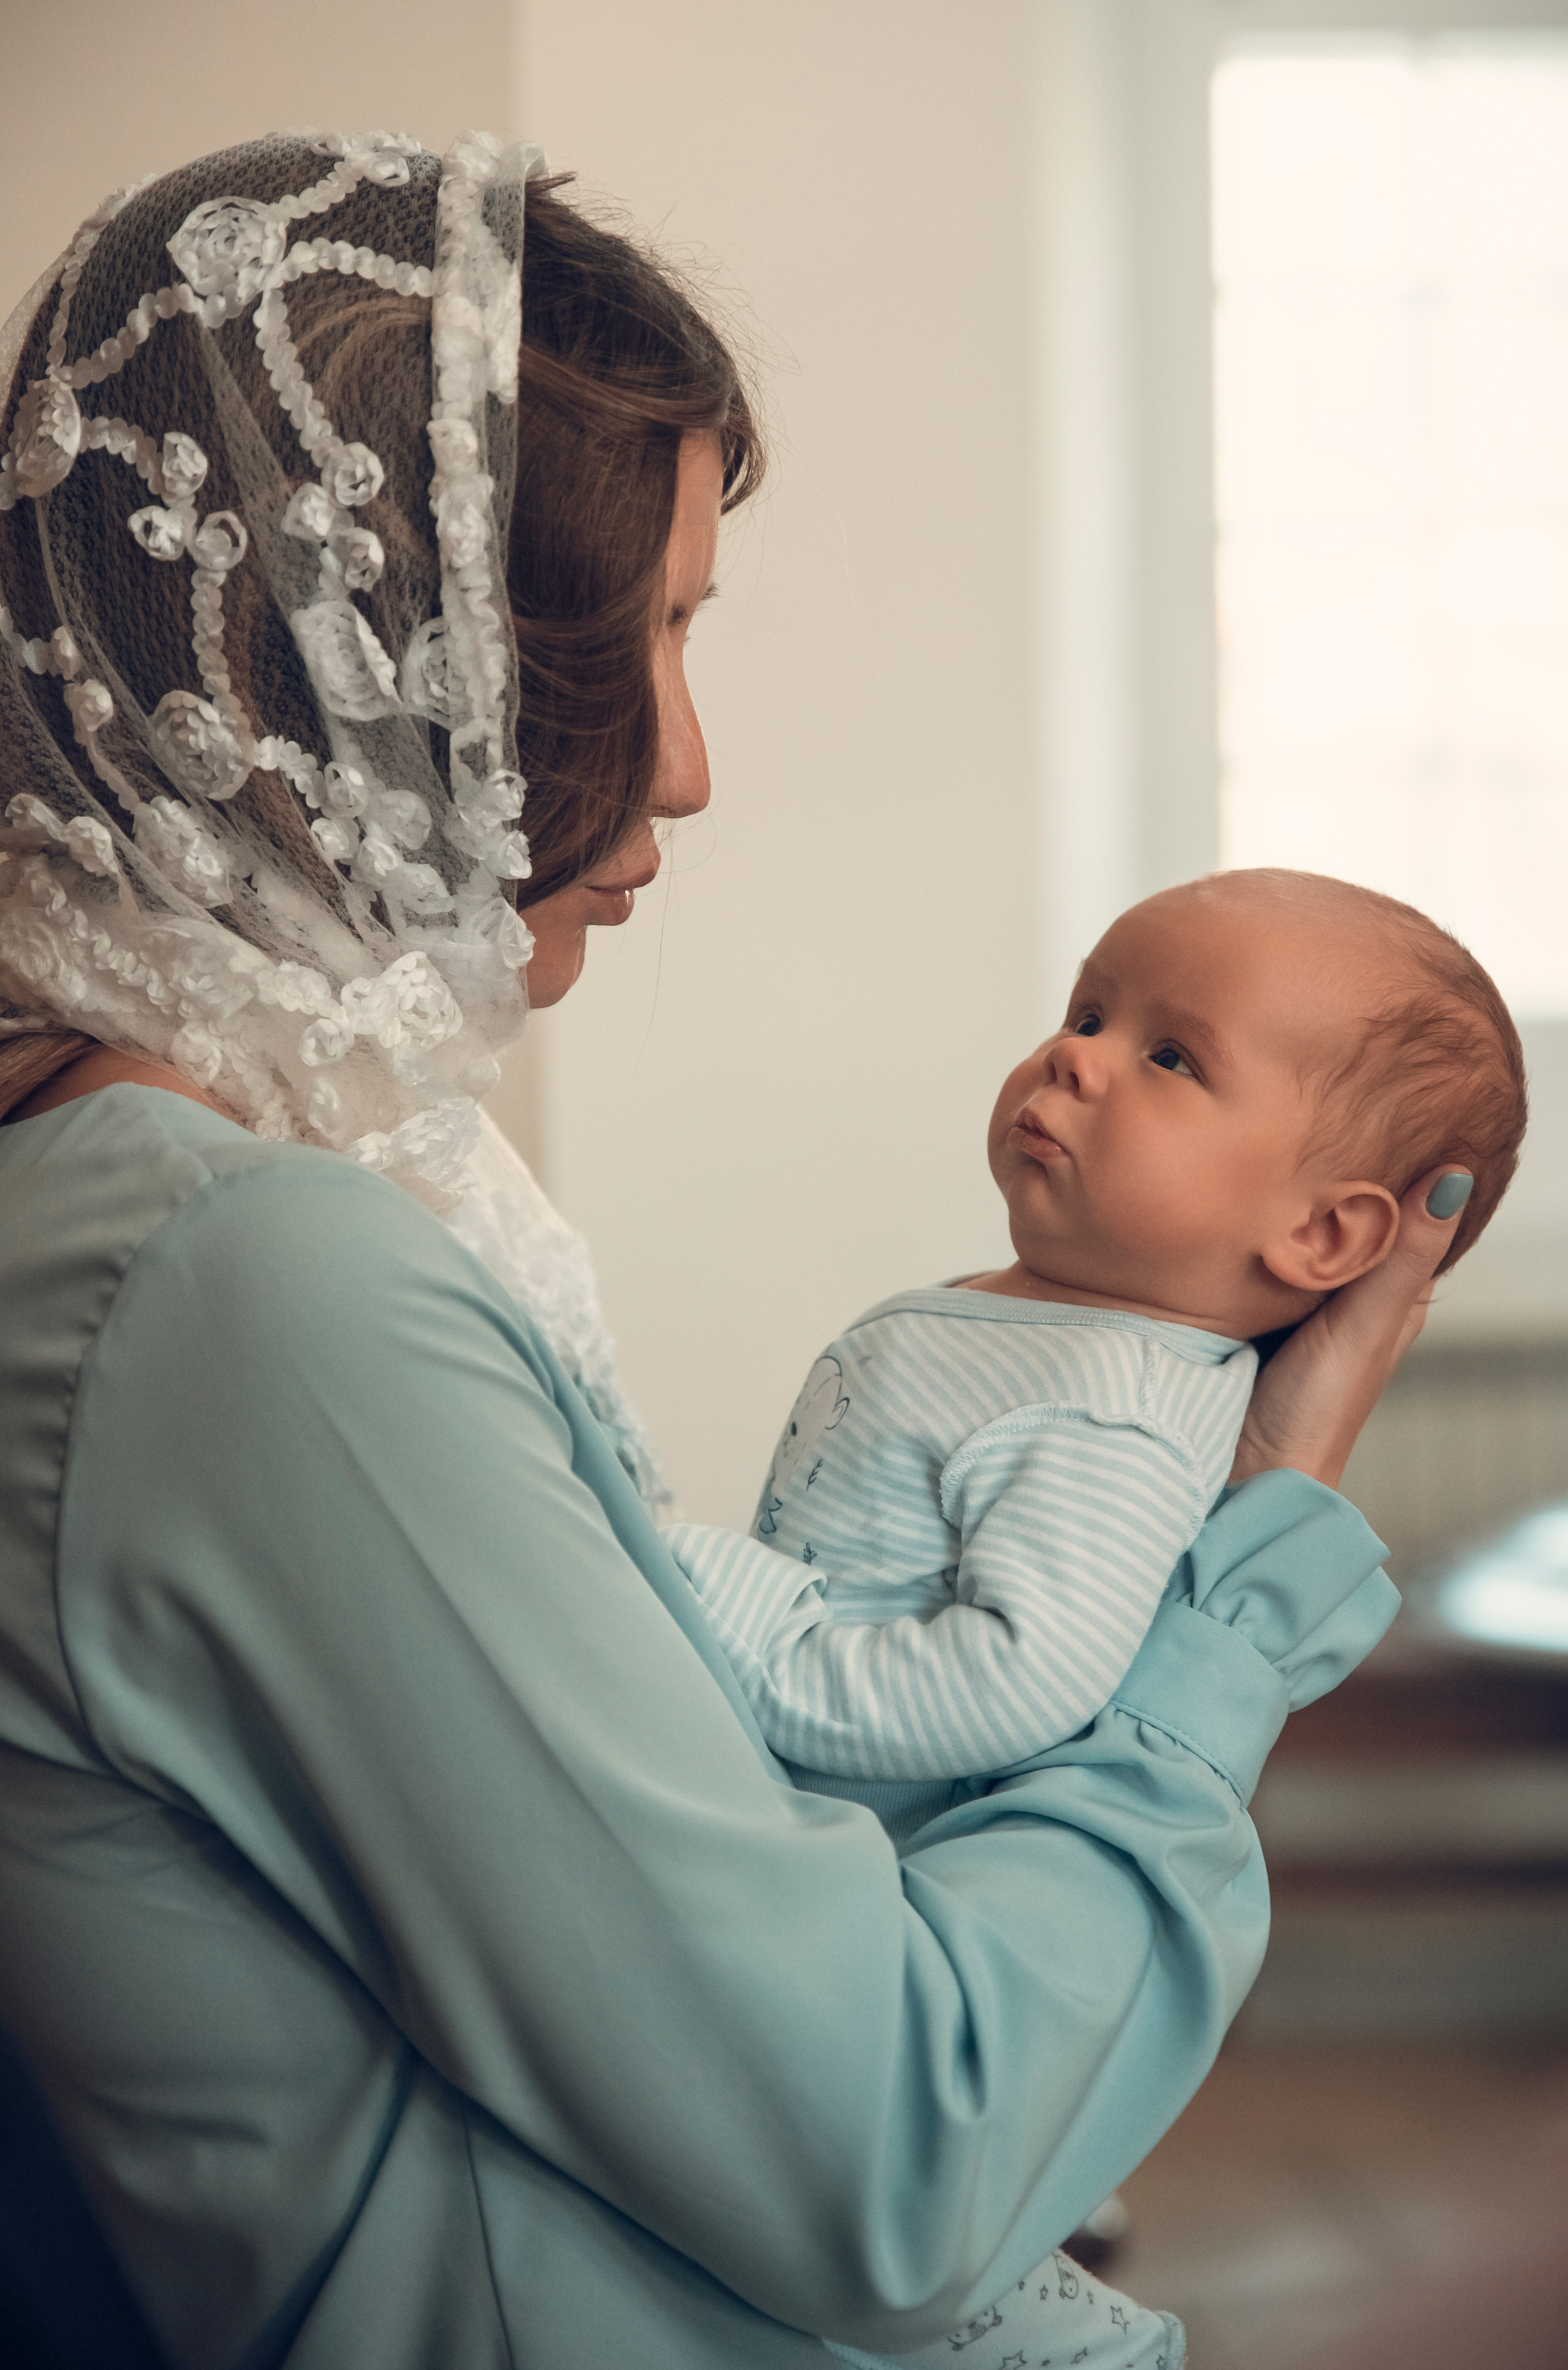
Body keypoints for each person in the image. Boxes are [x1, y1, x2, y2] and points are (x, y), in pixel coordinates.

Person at [0, 132, 1472, 2370]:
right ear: (366, 661)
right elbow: (898, 2149)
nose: (685, 772)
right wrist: (1251, 1573)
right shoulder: (250, 1282)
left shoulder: (137, 1170)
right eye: (646, 641)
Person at [668, 870, 1524, 1831]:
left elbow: (1003, 1687)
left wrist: (721, 1605)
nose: (1072, 1060)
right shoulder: (1053, 1335)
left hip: (845, 1860)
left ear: (1322, 1234)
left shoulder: (1110, 1415)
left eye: (1171, 1056)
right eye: (1087, 1014)